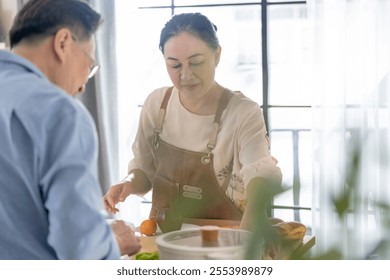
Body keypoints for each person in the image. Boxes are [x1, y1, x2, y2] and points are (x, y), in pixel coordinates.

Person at [104, 12, 282, 232]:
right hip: (164, 240)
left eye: (196, 62)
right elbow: (143, 169)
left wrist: (254, 214)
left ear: (217, 55)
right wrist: (128, 184)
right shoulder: (156, 105)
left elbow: (260, 170)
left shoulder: (243, 112)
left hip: (225, 239)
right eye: (175, 65)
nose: (186, 75)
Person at [0, 0, 140, 259]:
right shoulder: (60, 111)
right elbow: (80, 249)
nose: (83, 87)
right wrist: (114, 242)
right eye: (89, 67)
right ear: (63, 42)